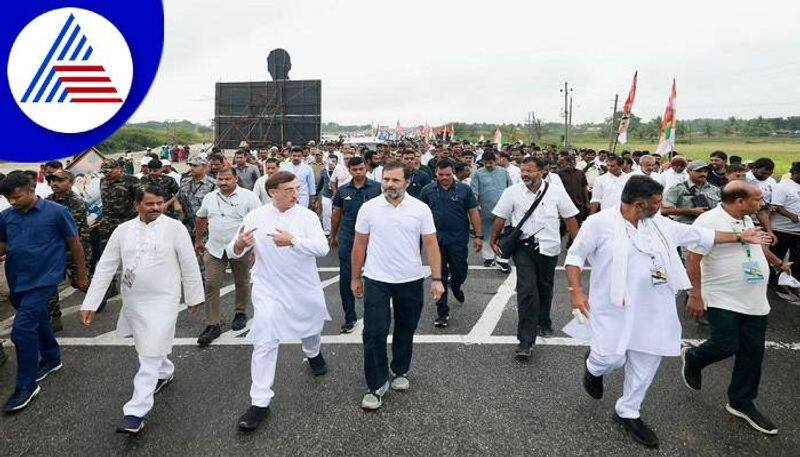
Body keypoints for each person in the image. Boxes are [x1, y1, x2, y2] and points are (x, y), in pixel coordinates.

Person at [564, 175, 771, 449]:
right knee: (610, 358)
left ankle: (628, 412)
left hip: (655, 307)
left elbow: (698, 235)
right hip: (614, 307)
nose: (661, 206)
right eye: (657, 202)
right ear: (640, 205)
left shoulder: (659, 223)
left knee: (648, 358)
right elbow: (574, 257)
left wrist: (739, 236)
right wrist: (576, 291)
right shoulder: (599, 223)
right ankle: (593, 367)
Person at [80, 184, 203, 434]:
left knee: (149, 353)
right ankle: (166, 370)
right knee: (149, 346)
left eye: (160, 202)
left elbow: (189, 263)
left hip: (165, 298)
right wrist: (91, 302)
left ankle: (135, 411)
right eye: (150, 203)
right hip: (134, 299)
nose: (156, 208)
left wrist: (193, 296)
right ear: (136, 205)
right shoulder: (122, 230)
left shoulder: (174, 228)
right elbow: (106, 266)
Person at [227, 171, 331, 432]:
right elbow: (233, 250)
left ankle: (313, 352)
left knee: (310, 327)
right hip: (268, 287)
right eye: (290, 189)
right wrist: (240, 243)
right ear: (273, 192)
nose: (296, 194)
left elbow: (322, 248)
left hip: (302, 287)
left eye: (297, 188)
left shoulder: (307, 216)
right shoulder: (256, 217)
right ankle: (259, 402)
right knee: (264, 338)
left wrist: (293, 241)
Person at [682, 181, 788, 436]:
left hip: (754, 298)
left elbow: (757, 246)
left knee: (752, 353)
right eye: (757, 199)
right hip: (722, 296)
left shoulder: (746, 219)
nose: (761, 203)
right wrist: (696, 294)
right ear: (740, 201)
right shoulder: (708, 221)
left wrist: (776, 263)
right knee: (726, 344)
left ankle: (741, 402)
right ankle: (694, 358)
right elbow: (693, 258)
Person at [351, 161, 444, 410]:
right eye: (386, 180)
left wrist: (437, 279)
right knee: (374, 332)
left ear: (407, 182)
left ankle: (400, 370)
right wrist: (355, 277)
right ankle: (376, 384)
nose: (389, 185)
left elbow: (432, 244)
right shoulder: (369, 208)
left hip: (410, 279)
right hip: (376, 279)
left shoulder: (420, 209)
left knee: (406, 328)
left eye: (395, 180)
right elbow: (359, 244)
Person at [0, 172, 89, 412]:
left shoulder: (56, 212)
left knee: (21, 331)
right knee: (39, 320)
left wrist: (81, 274)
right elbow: (3, 245)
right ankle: (51, 358)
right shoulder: (6, 217)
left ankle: (26, 386)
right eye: (8, 198)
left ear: (31, 189)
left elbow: (75, 243)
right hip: (18, 279)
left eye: (16, 196)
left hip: (45, 278)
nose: (12, 202)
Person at [491, 157, 579, 356]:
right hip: (524, 248)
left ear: (542, 172)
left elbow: (570, 218)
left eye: (530, 171)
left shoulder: (556, 192)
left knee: (545, 287)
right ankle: (525, 341)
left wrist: (578, 246)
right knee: (527, 290)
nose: (525, 174)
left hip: (549, 248)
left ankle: (543, 320)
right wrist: (493, 239)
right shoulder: (511, 192)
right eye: (523, 170)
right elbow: (501, 216)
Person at [194, 167, 261, 345]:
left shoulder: (249, 197)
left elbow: (258, 222)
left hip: (241, 249)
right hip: (215, 248)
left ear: (235, 178)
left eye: (227, 179)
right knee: (211, 284)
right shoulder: (210, 197)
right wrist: (199, 239)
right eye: (220, 179)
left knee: (242, 282)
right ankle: (212, 324)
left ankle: (240, 313)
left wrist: (255, 247)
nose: (223, 183)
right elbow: (201, 218)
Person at [419, 159, 482, 327]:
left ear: (453, 172)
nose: (444, 178)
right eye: (441, 175)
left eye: (448, 175)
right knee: (439, 275)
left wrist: (478, 235)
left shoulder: (464, 189)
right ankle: (442, 312)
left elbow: (473, 212)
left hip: (458, 239)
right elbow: (419, 215)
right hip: (435, 240)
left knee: (459, 271)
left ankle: (456, 285)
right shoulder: (427, 191)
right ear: (436, 174)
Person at [329, 157, 382, 333]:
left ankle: (373, 316)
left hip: (374, 239)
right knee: (346, 279)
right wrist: (333, 235)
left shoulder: (378, 188)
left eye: (361, 169)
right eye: (355, 170)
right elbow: (336, 214)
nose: (358, 172)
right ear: (349, 170)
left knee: (375, 279)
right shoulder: (343, 191)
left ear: (366, 168)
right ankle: (349, 316)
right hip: (349, 238)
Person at [45, 170, 92, 332]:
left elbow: (73, 234)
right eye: (51, 180)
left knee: (79, 281)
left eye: (60, 180)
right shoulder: (47, 201)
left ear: (70, 183)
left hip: (73, 249)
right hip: (53, 250)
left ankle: (97, 296)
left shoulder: (75, 202)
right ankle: (54, 317)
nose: (54, 183)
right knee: (49, 285)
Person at [471, 151, 513, 271]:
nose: (488, 165)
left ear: (496, 161)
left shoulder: (504, 172)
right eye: (486, 163)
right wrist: (476, 205)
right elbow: (474, 191)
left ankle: (502, 259)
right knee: (488, 233)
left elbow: (511, 188)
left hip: (503, 208)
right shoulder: (478, 174)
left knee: (503, 233)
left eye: (490, 163)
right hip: (485, 208)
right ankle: (488, 258)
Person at [768, 161, 800, 301]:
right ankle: (775, 284)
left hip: (798, 231)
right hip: (782, 230)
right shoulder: (783, 186)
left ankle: (794, 282)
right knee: (777, 257)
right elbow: (776, 206)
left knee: (797, 258)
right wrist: (791, 215)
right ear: (796, 173)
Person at [176, 156, 216, 242]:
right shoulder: (185, 181)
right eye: (190, 166)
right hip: (186, 223)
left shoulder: (213, 184)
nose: (191, 168)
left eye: (195, 166)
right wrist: (176, 203)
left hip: (204, 225)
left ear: (205, 167)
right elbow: (178, 196)